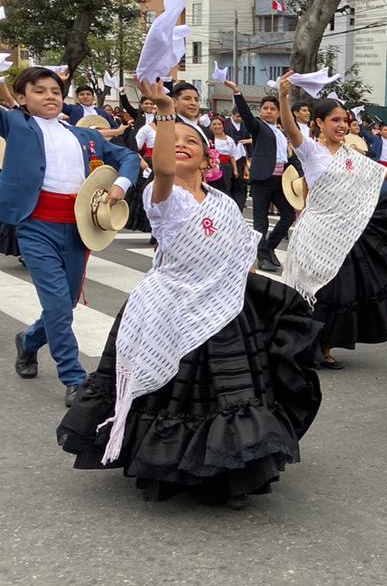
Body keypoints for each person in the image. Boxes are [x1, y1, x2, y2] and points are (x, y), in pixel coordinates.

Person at [57, 79, 322, 505]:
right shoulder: (163, 197)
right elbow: (162, 169)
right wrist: (165, 114)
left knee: (230, 391)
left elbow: (241, 254)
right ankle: (173, 464)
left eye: (190, 141)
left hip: (224, 306)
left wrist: (249, 290)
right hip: (169, 305)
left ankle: (232, 467)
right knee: (175, 390)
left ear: (206, 158)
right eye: (173, 140)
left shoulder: (222, 201)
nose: (181, 145)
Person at [1, 67, 141, 406]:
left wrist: (121, 185)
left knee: (67, 305)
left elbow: (128, 157)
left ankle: (30, 341)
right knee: (58, 305)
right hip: (36, 227)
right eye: (38, 90)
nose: (49, 95)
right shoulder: (15, 124)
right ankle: (74, 377)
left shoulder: (84, 137)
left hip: (79, 229)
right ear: (21, 99)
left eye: (54, 90)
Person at [274, 75, 387, 371]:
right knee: (311, 293)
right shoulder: (311, 152)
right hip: (314, 236)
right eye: (334, 120)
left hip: (345, 236)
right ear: (318, 123)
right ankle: (304, 347)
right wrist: (283, 97)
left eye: (345, 120)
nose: (342, 125)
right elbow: (291, 130)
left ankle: (326, 348)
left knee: (337, 293)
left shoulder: (353, 156)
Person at [225, 79, 296, 273]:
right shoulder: (258, 127)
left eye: (273, 109)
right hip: (262, 180)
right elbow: (247, 115)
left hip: (280, 180)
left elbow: (289, 157)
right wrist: (237, 93)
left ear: (279, 112)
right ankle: (260, 255)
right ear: (261, 111)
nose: (269, 112)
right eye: (266, 108)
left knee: (289, 216)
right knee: (260, 220)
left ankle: (267, 247)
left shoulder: (282, 133)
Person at [209, 115, 247, 208]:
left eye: (219, 124)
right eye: (214, 124)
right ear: (210, 126)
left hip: (226, 167)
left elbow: (233, 156)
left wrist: (235, 170)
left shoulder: (229, 139)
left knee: (226, 189)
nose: (217, 126)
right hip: (212, 168)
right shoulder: (209, 139)